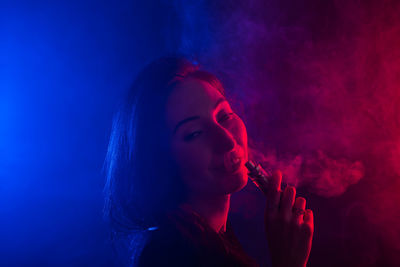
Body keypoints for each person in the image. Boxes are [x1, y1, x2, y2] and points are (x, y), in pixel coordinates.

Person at [103, 56, 314, 267]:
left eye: (223, 116)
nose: (227, 139)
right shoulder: (169, 256)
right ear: (161, 163)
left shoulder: (217, 238)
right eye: (195, 133)